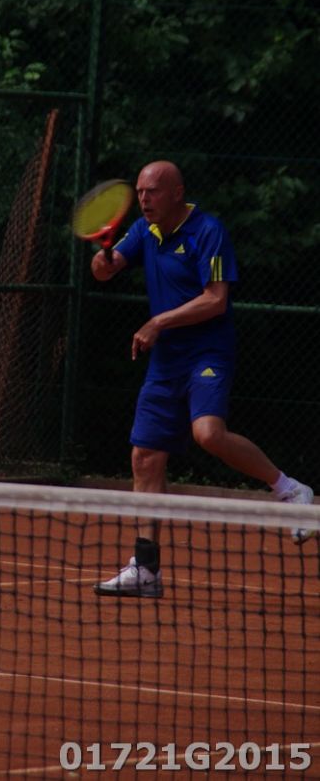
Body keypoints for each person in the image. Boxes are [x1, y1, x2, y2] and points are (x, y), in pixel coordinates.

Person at [91, 160, 316, 598]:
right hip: (166, 362)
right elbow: (105, 270)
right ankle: (146, 569)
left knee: (208, 433)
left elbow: (215, 300)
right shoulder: (143, 231)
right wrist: (103, 260)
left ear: (177, 192)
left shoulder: (208, 231)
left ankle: (289, 489)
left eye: (153, 191)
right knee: (145, 458)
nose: (144, 199)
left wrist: (158, 322)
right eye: (140, 192)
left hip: (207, 354)